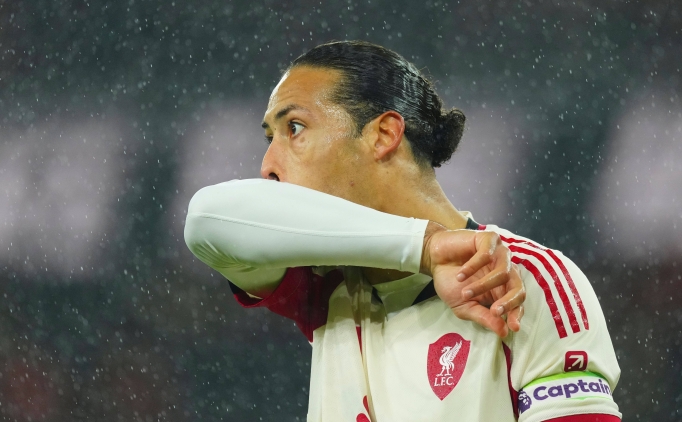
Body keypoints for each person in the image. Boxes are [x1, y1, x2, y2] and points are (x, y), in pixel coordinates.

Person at [184, 41, 621, 421]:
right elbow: (206, 219)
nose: (267, 167)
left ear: (383, 134)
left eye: (294, 128)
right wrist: (425, 247)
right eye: (270, 138)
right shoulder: (327, 283)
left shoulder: (523, 282)